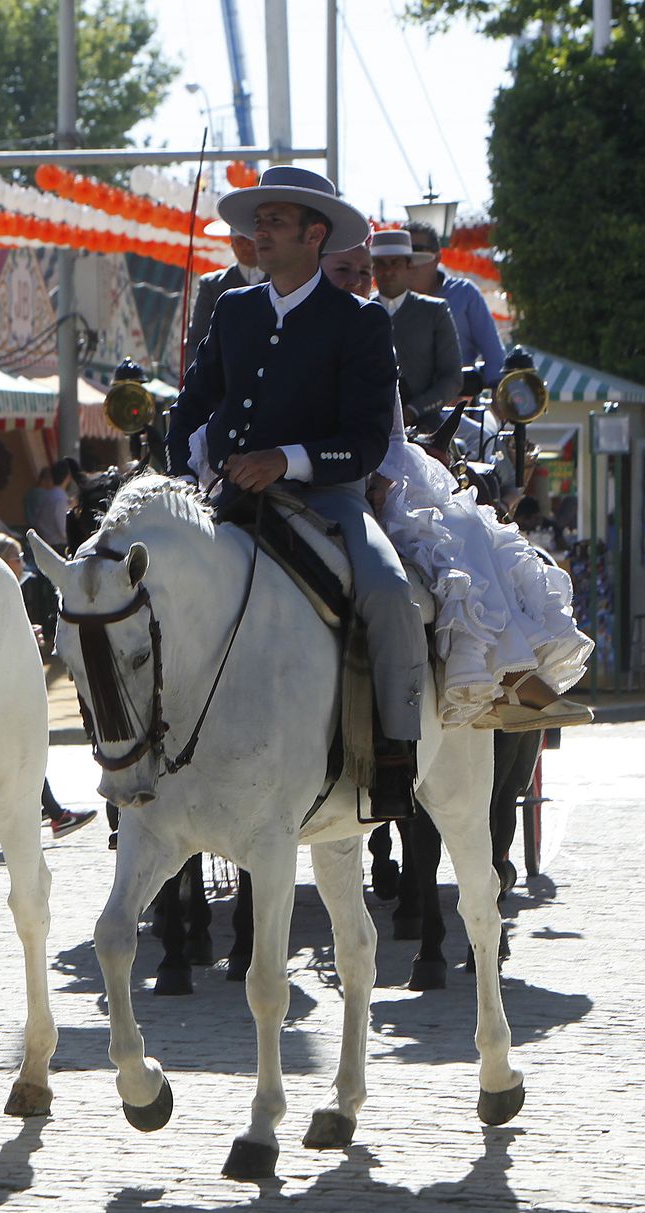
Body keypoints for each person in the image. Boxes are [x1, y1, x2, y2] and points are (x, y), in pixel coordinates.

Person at [167, 165, 422, 816]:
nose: (260, 231)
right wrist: (187, 472)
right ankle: (146, 752)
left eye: (275, 220)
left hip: (326, 500)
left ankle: (395, 750)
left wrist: (287, 459)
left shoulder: (360, 322)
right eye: (258, 221)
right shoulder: (234, 309)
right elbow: (191, 409)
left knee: (392, 593)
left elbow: (366, 443)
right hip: (225, 498)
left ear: (315, 234)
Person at [320, 249, 594, 733]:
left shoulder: (394, 320)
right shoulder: (298, 323)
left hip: (394, 457)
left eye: (366, 273)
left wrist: (401, 460)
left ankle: (511, 674)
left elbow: (404, 418)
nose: (362, 280)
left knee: (469, 520)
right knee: (442, 534)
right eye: (347, 271)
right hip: (333, 470)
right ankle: (490, 675)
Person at [0, 532, 98, 840]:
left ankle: (53, 812)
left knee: (20, 754)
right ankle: (54, 814)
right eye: (17, 558)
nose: (21, 564)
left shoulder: (8, 591)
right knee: (17, 754)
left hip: (6, 688)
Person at [369, 229, 463, 433]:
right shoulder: (361, 310)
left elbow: (452, 377)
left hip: (425, 423)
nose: (388, 271)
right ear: (373, 268)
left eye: (395, 263)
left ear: (408, 266)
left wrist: (413, 410)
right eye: (381, 264)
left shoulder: (435, 310)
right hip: (367, 423)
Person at [403, 221, 506, 390]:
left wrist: (497, 390)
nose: (410, 261)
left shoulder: (465, 294)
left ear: (437, 257)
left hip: (459, 402)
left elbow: (494, 355)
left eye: (418, 251)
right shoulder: (385, 301)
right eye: (403, 254)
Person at [185, 227, 266, 356]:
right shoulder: (212, 285)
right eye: (240, 240)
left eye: (251, 240)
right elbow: (197, 340)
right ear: (231, 242)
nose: (247, 246)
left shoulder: (282, 280)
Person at [23, 464, 70, 554]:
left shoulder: (47, 495)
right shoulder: (60, 498)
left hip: (45, 542)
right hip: (58, 546)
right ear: (68, 478)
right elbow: (63, 530)